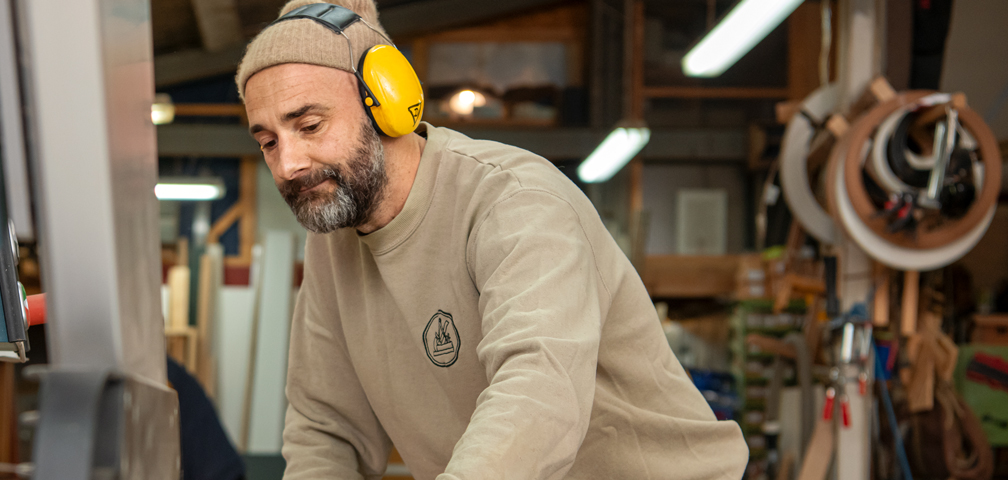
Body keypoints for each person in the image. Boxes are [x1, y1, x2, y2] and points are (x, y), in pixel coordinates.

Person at [234, 1, 750, 478]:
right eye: (268, 142)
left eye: (310, 125)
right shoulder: (333, 244)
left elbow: (537, 393)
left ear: (384, 102)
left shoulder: (514, 203)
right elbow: (326, 430)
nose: (288, 164)